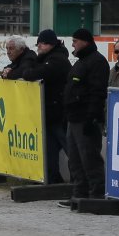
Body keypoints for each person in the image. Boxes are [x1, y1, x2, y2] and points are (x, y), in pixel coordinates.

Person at [62, 28, 110, 204]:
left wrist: (92, 117)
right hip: (74, 117)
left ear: (85, 42)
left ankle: (97, 193)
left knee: (89, 157)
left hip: (86, 118)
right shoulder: (81, 62)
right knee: (75, 159)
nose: (73, 44)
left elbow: (98, 92)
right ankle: (79, 193)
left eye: (75, 41)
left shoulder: (97, 62)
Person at [18, 29, 71, 184]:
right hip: (50, 113)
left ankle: (80, 181)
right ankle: (54, 180)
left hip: (59, 113)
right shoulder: (47, 58)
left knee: (69, 148)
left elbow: (31, 74)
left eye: (43, 43)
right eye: (38, 43)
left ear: (51, 44)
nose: (39, 46)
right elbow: (27, 70)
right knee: (50, 151)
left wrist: (28, 68)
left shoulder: (57, 60)